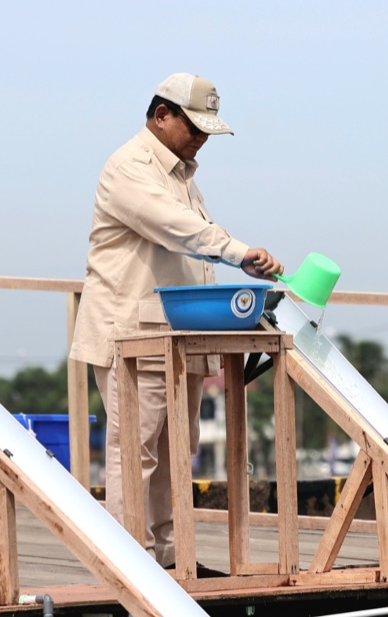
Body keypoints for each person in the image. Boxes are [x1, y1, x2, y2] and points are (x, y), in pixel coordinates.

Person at [70, 74, 282, 569]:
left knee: (173, 451)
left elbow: (195, 239)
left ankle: (166, 557)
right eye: (194, 125)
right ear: (161, 115)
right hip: (133, 333)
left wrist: (234, 263)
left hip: (173, 332)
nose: (201, 137)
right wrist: (237, 252)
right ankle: (132, 562)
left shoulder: (182, 173)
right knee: (136, 450)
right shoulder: (129, 167)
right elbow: (177, 228)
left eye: (208, 129)